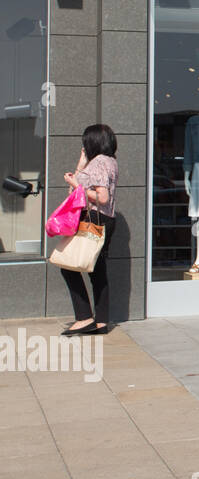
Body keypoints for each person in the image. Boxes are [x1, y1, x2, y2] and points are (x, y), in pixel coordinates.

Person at [58, 125, 118, 336]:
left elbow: (102, 198)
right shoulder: (108, 161)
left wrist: (75, 183)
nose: (83, 145)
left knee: (68, 266)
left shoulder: (100, 162)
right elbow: (75, 191)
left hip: (93, 218)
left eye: (85, 141)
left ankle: (84, 318)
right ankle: (101, 322)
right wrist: (82, 164)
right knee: (97, 271)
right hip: (105, 220)